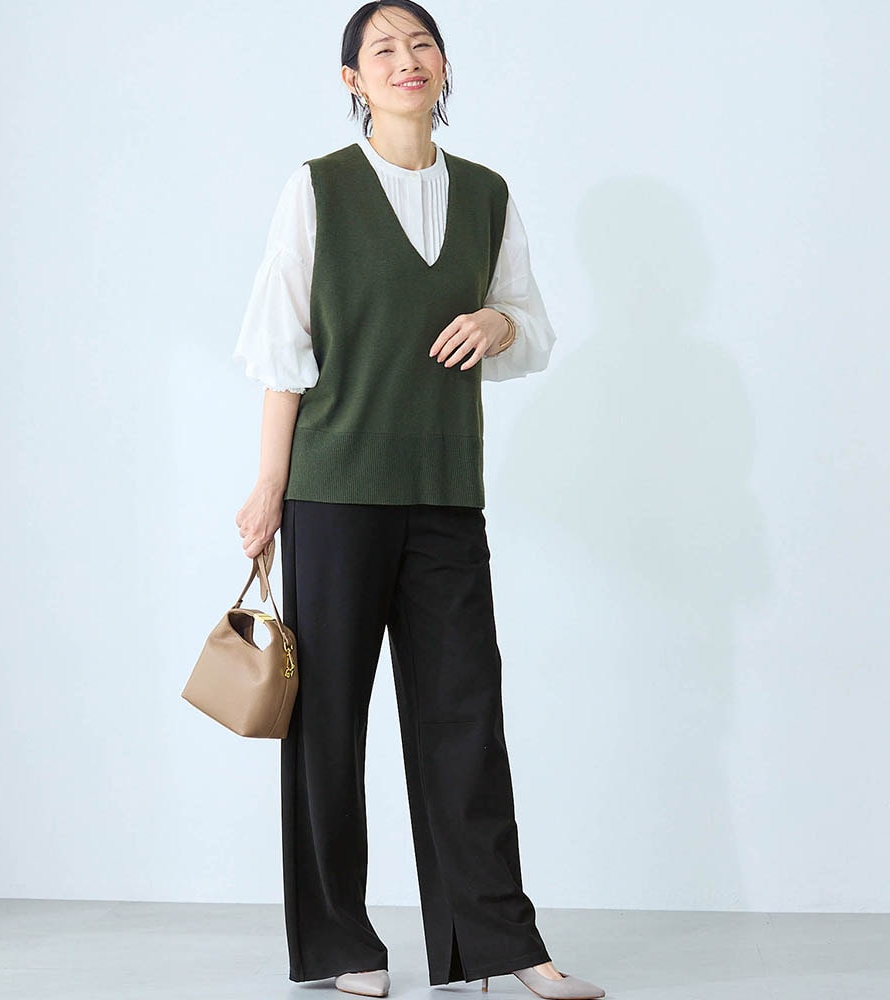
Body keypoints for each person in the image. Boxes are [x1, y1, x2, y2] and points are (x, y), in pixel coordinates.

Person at [233, 3, 606, 998]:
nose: (408, 60)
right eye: (384, 49)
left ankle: (503, 945)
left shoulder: (485, 194)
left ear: (444, 67)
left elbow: (529, 325)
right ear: (352, 80)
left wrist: (496, 322)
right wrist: (268, 489)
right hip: (334, 493)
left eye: (422, 44)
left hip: (444, 492)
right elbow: (281, 350)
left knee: (464, 720)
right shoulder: (317, 188)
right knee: (327, 725)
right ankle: (339, 944)